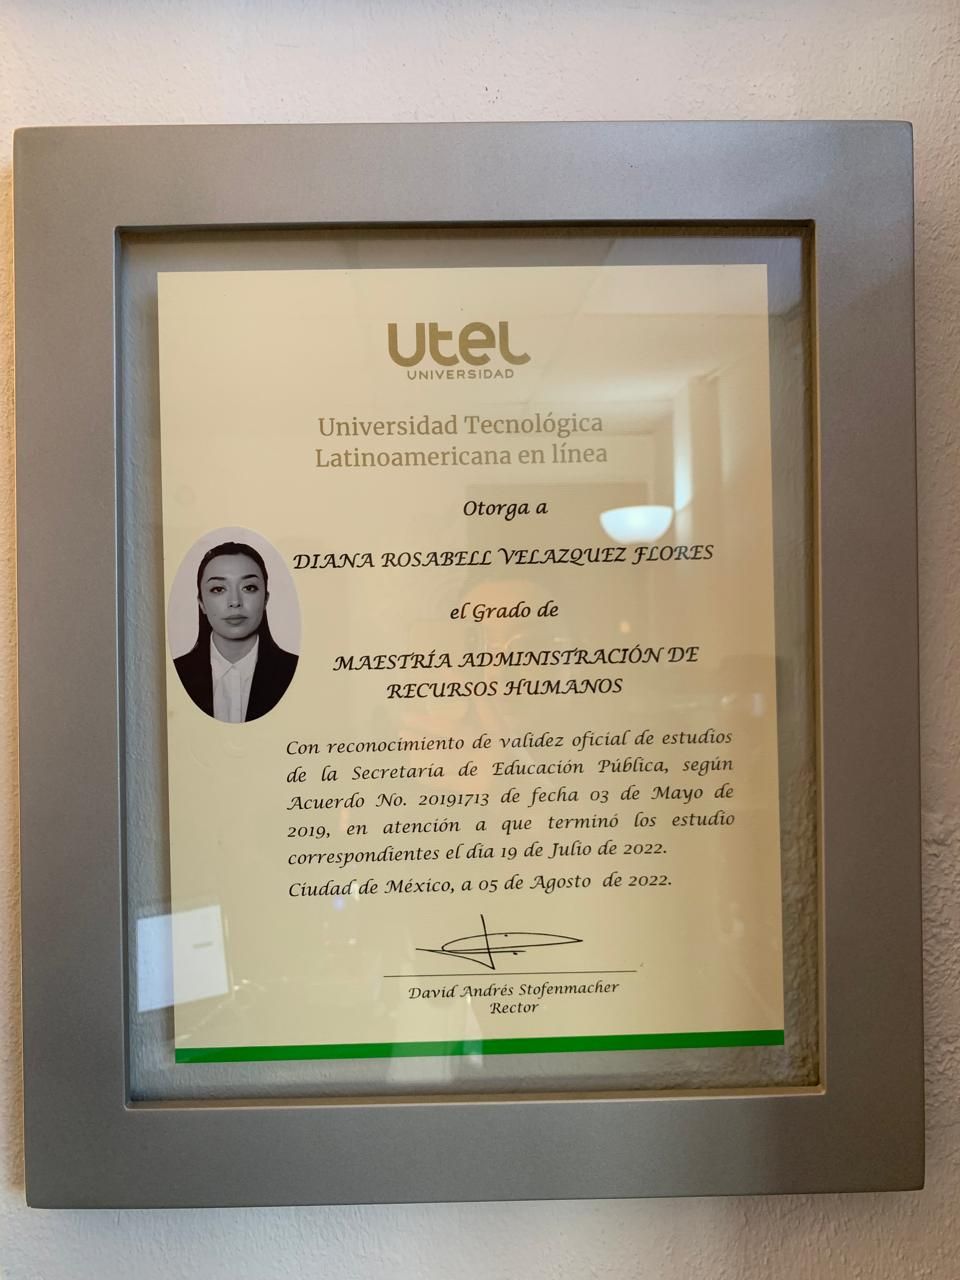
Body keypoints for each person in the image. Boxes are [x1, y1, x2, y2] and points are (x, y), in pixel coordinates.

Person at [173, 540, 298, 722]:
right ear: (201, 603)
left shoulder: (296, 671)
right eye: (218, 589)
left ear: (265, 599)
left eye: (249, 588)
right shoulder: (175, 674)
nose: (235, 601)